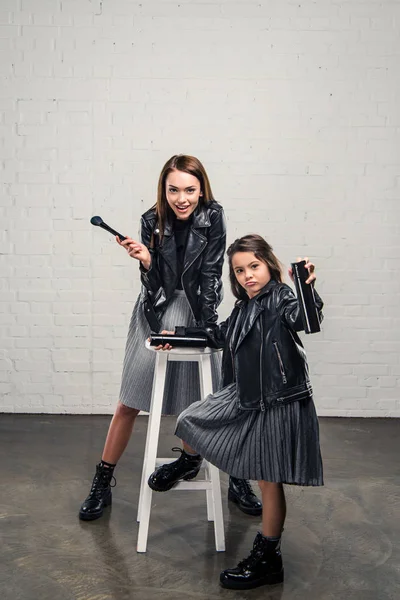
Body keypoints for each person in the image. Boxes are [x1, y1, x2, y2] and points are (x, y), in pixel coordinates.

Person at [79, 156, 262, 521]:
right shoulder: (151, 219)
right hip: (157, 311)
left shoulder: (213, 217)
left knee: (206, 401)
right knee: (130, 400)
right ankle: (102, 480)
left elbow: (210, 276)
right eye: (174, 189)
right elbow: (155, 285)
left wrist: (208, 327)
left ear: (201, 189)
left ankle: (234, 476)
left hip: (196, 311)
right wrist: (147, 260)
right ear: (163, 189)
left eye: (190, 190)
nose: (182, 198)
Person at [157, 234, 324, 590]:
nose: (248, 275)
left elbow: (305, 321)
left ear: (268, 265)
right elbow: (219, 335)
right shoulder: (244, 307)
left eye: (254, 266)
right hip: (247, 396)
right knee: (190, 419)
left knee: (268, 479)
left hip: (280, 399)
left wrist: (308, 287)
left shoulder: (281, 296)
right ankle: (190, 461)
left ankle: (268, 558)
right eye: (240, 270)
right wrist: (178, 335)